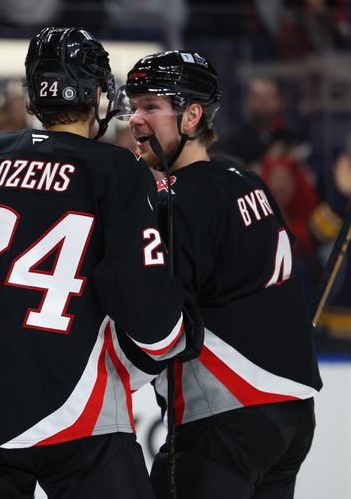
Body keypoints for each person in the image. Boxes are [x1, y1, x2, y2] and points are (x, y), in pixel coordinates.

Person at [0, 27, 188, 499]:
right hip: (80, 418)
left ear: (34, 93)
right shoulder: (115, 169)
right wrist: (164, 346)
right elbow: (149, 317)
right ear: (98, 93)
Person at [121, 50, 322, 499]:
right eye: (133, 105)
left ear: (192, 115)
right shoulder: (243, 176)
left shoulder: (178, 202)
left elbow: (158, 318)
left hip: (224, 416)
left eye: (151, 107)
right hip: (291, 413)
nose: (135, 119)